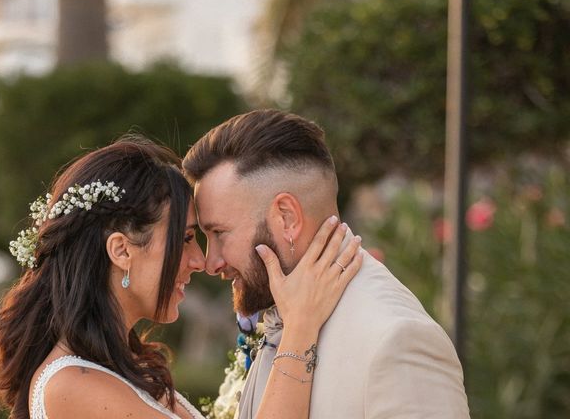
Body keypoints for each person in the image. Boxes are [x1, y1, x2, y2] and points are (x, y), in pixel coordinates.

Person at [0, 134, 362, 419]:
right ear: (122, 251)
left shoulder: (115, 366)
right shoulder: (71, 386)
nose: (200, 261)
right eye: (186, 239)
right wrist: (301, 325)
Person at [182, 109, 471, 419]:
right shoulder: (282, 316)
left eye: (219, 233)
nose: (211, 262)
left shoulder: (396, 339)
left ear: (287, 218)